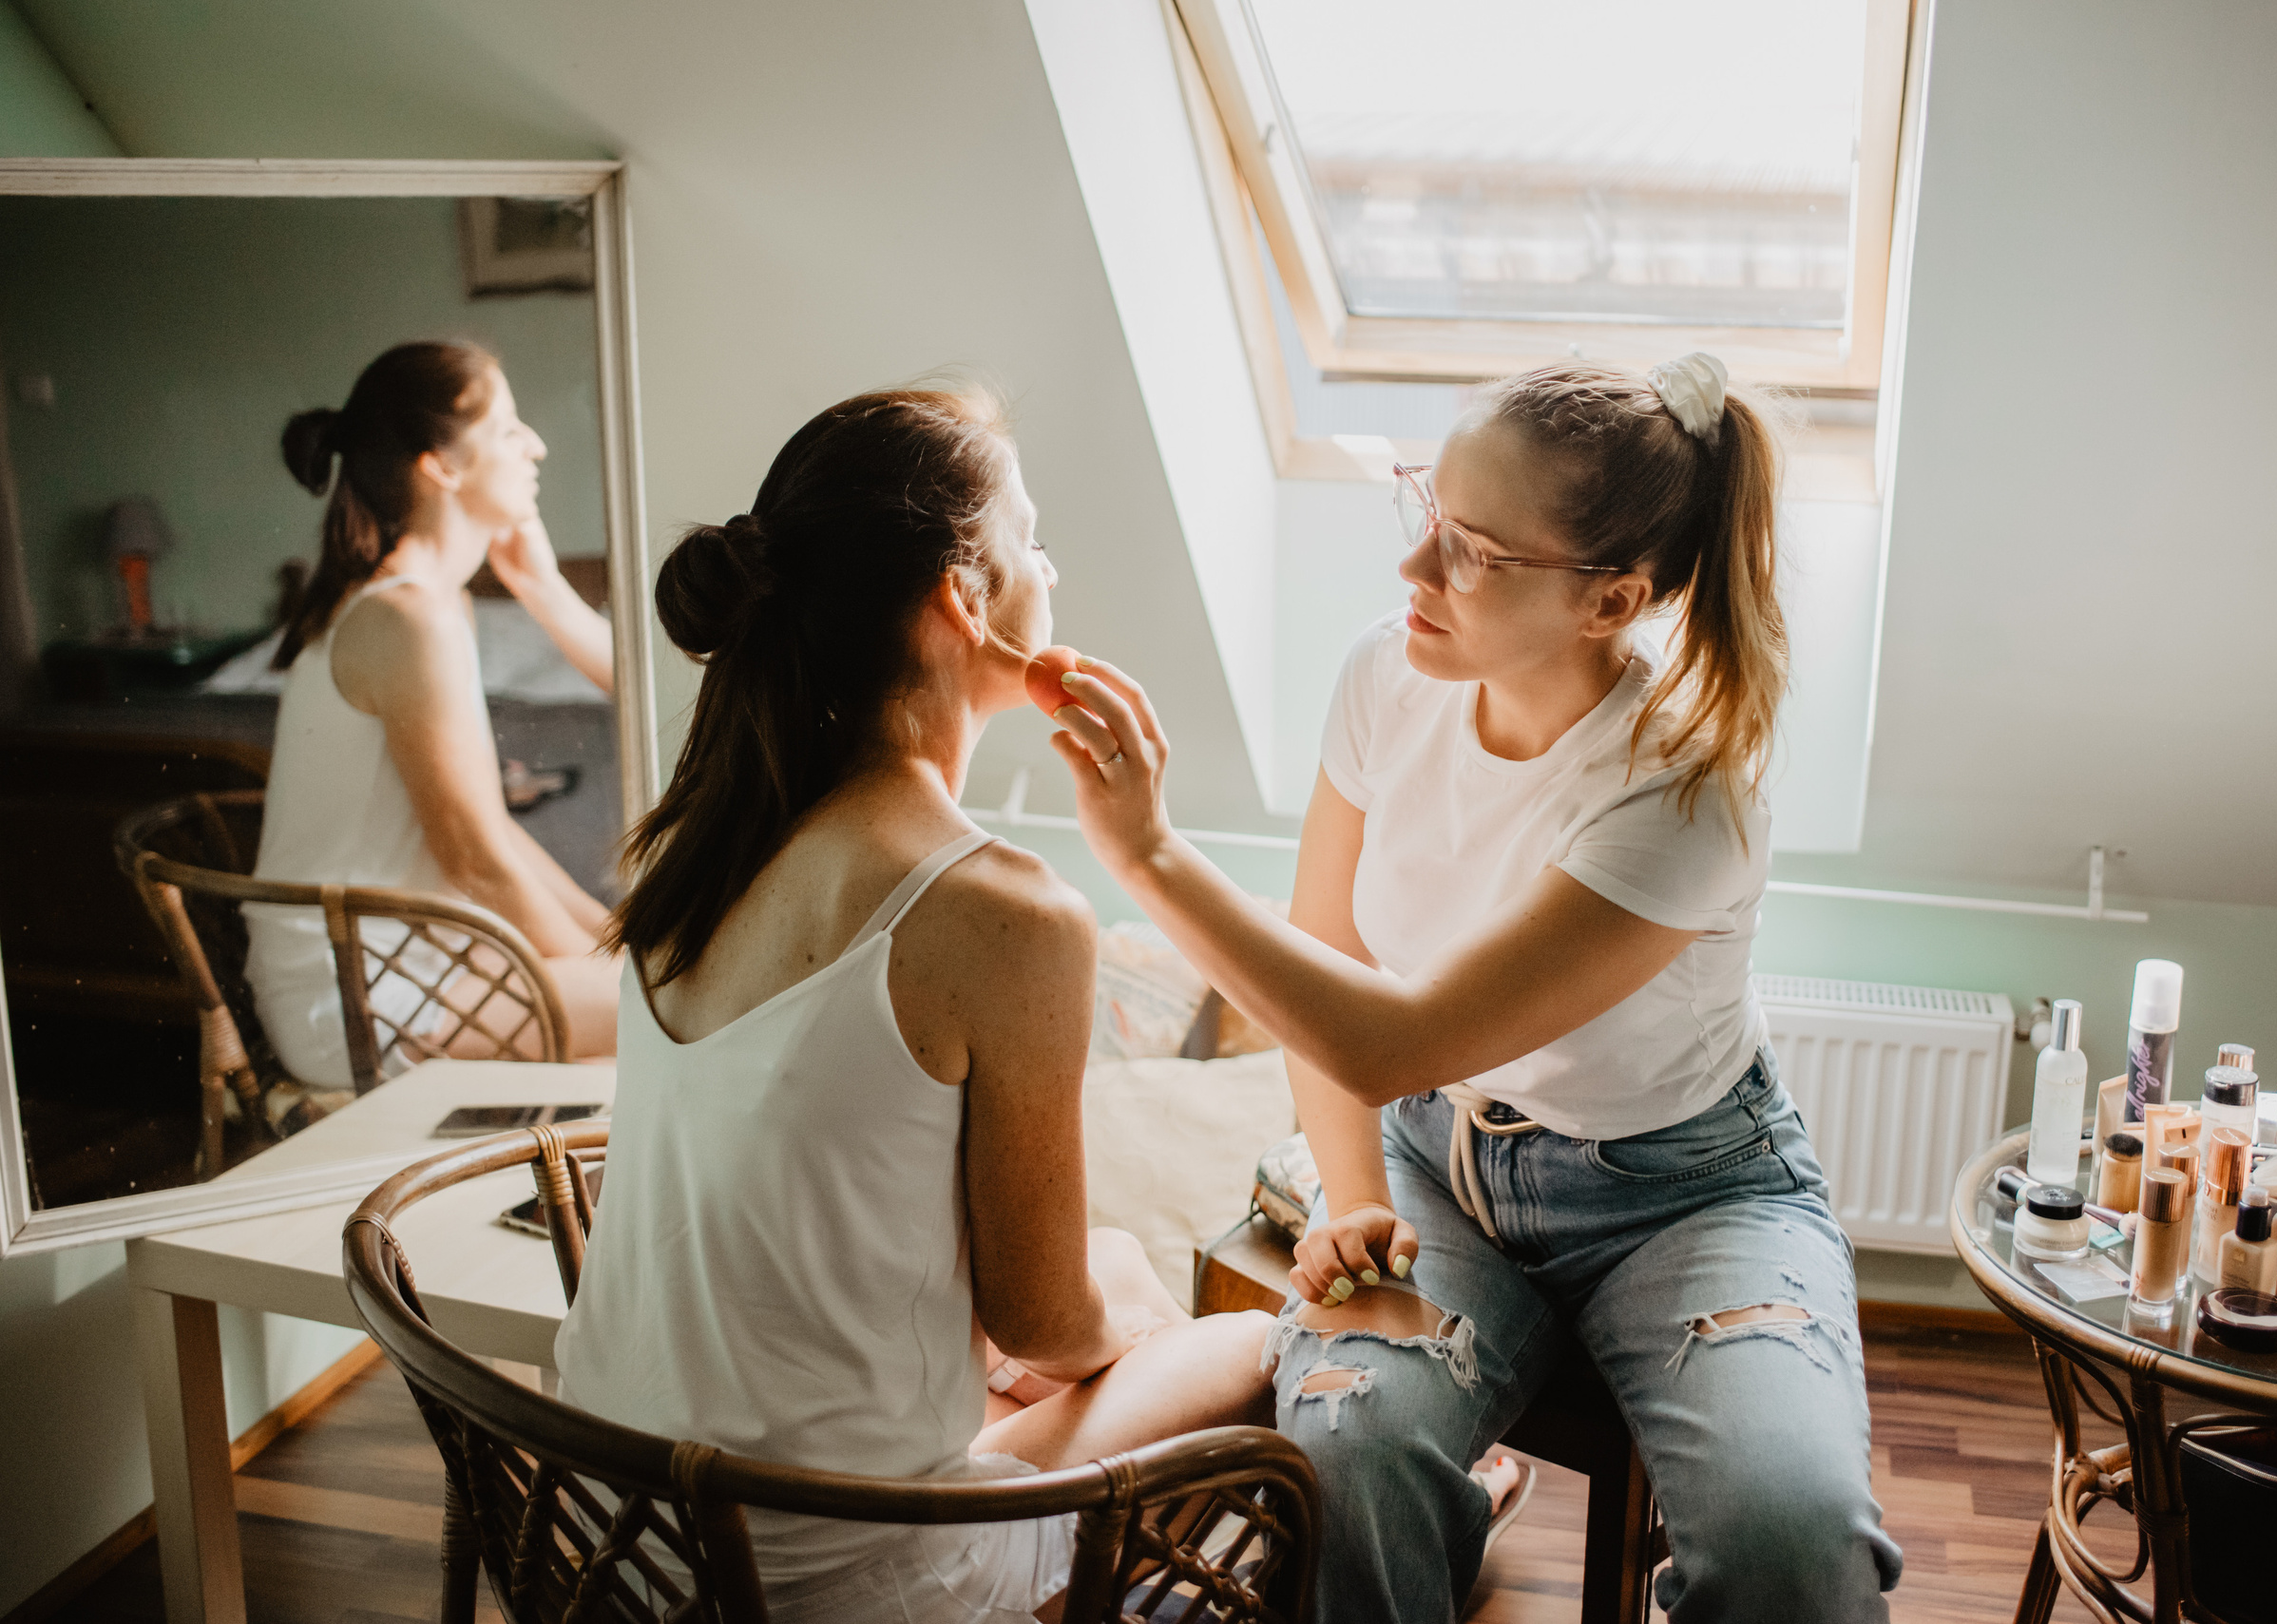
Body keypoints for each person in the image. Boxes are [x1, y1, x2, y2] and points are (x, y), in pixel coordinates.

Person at [1043, 356, 1904, 1622]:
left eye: (1475, 554)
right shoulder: (1383, 680)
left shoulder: (1683, 789)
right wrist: (1349, 1198)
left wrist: (1149, 855)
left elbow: (1388, 1034)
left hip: (1689, 1196)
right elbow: (1331, 962)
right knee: (1344, 1449)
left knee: (1794, 1537)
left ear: (1612, 600)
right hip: (1439, 1166)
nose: (1415, 573)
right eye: (1425, 514)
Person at [553, 388, 1276, 1622]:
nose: (1052, 567)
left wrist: (1077, 1336)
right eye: (1030, 540)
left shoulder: (704, 849)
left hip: (630, 1531)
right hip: (838, 1571)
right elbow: (1039, 1315)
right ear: (964, 596)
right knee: (1260, 1343)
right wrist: (1118, 1347)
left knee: (1113, 1272)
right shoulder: (1005, 912)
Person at [247, 340, 619, 1095]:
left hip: (405, 958)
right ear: (440, 466)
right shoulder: (409, 617)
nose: (535, 444)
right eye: (509, 426)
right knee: (683, 1007)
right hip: (359, 997)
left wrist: (612, 940)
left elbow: (488, 832)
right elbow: (474, 855)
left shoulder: (416, 602)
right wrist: (611, 963)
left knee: (650, 991)